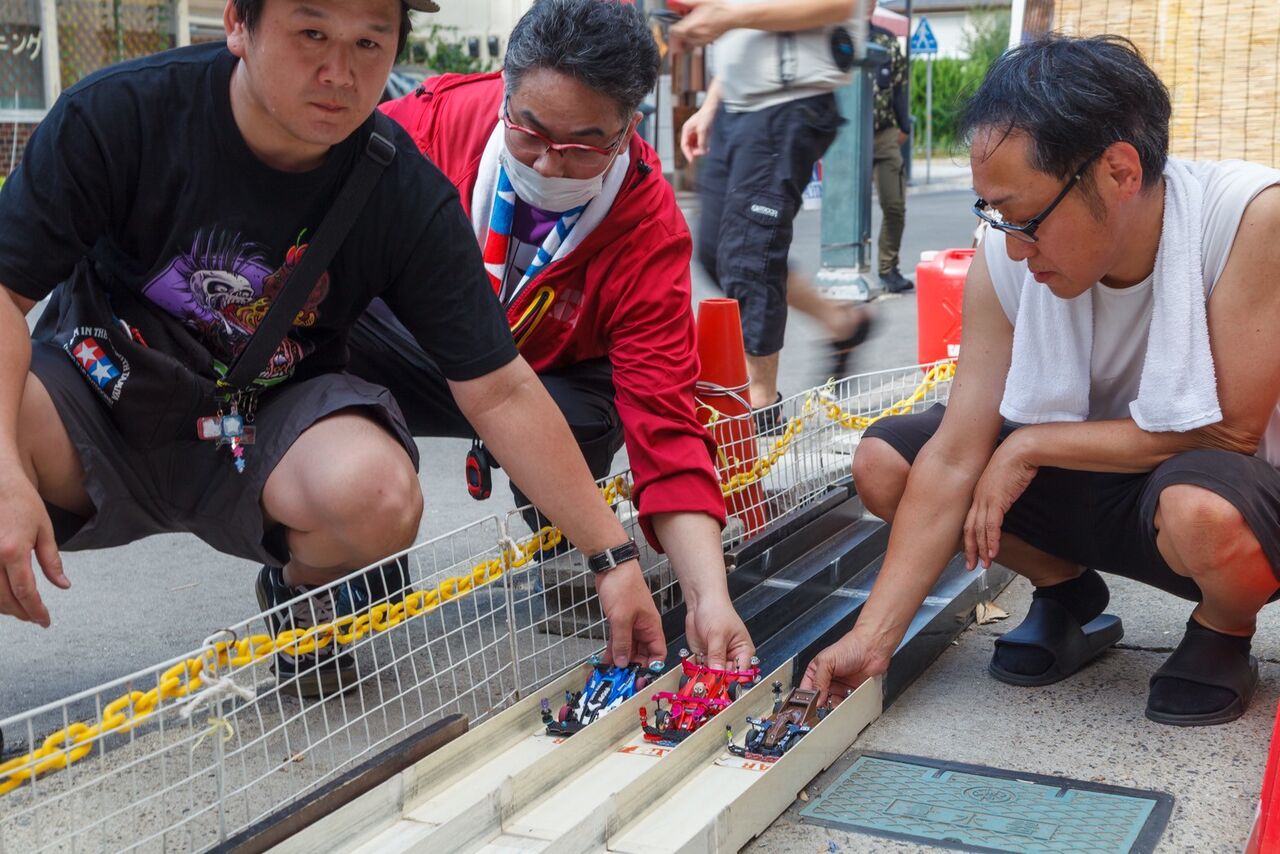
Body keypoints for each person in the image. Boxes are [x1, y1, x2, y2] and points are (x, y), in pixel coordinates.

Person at [0, 0, 670, 698]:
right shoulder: (121, 115)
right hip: (100, 391)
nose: (338, 73)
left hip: (262, 420)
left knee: (376, 492)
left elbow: (500, 388)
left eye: (369, 43)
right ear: (238, 24)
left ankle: (306, 599)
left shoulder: (399, 186)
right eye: (311, 33)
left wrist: (613, 557)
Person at [802, 34, 1280, 727]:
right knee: (887, 462)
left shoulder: (1245, 219)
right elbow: (957, 452)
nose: (1012, 244)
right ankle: (1066, 593)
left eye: (1025, 218)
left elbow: (1229, 431)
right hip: (1094, 483)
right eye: (994, 215)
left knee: (1200, 511)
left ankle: (1224, 628)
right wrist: (873, 640)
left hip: (1224, 488)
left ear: (1119, 172)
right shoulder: (1006, 254)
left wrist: (1027, 446)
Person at [348, 0, 754, 670]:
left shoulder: (647, 227)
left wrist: (708, 597)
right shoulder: (429, 127)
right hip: (417, 351)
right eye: (530, 133)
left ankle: (565, 540)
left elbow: (666, 426)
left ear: (627, 130)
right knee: (333, 366)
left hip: (548, 377)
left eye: (583, 147)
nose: (547, 165)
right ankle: (332, 575)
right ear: (505, 95)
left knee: (589, 415)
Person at [675, 0, 875, 415]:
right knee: (715, 250)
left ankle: (761, 402)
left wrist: (729, 16)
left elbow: (841, 4)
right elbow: (747, 35)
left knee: (750, 251)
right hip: (736, 107)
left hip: (790, 103)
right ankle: (841, 322)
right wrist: (712, 103)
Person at [867, 4, 913, 293]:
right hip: (845, 137)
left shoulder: (886, 41)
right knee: (844, 208)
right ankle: (844, 265)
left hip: (883, 134)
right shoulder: (834, 36)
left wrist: (904, 125)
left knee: (894, 204)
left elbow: (899, 87)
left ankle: (888, 268)